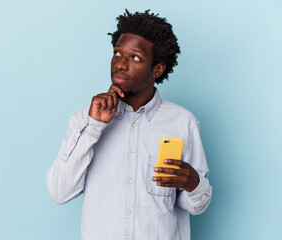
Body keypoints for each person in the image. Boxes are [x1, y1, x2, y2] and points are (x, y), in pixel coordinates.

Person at [46, 9, 212, 240]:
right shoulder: (83, 119)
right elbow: (59, 192)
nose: (120, 64)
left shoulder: (183, 123)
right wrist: (94, 126)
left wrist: (193, 183)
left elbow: (197, 206)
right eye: (117, 53)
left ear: (157, 69)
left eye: (135, 57)